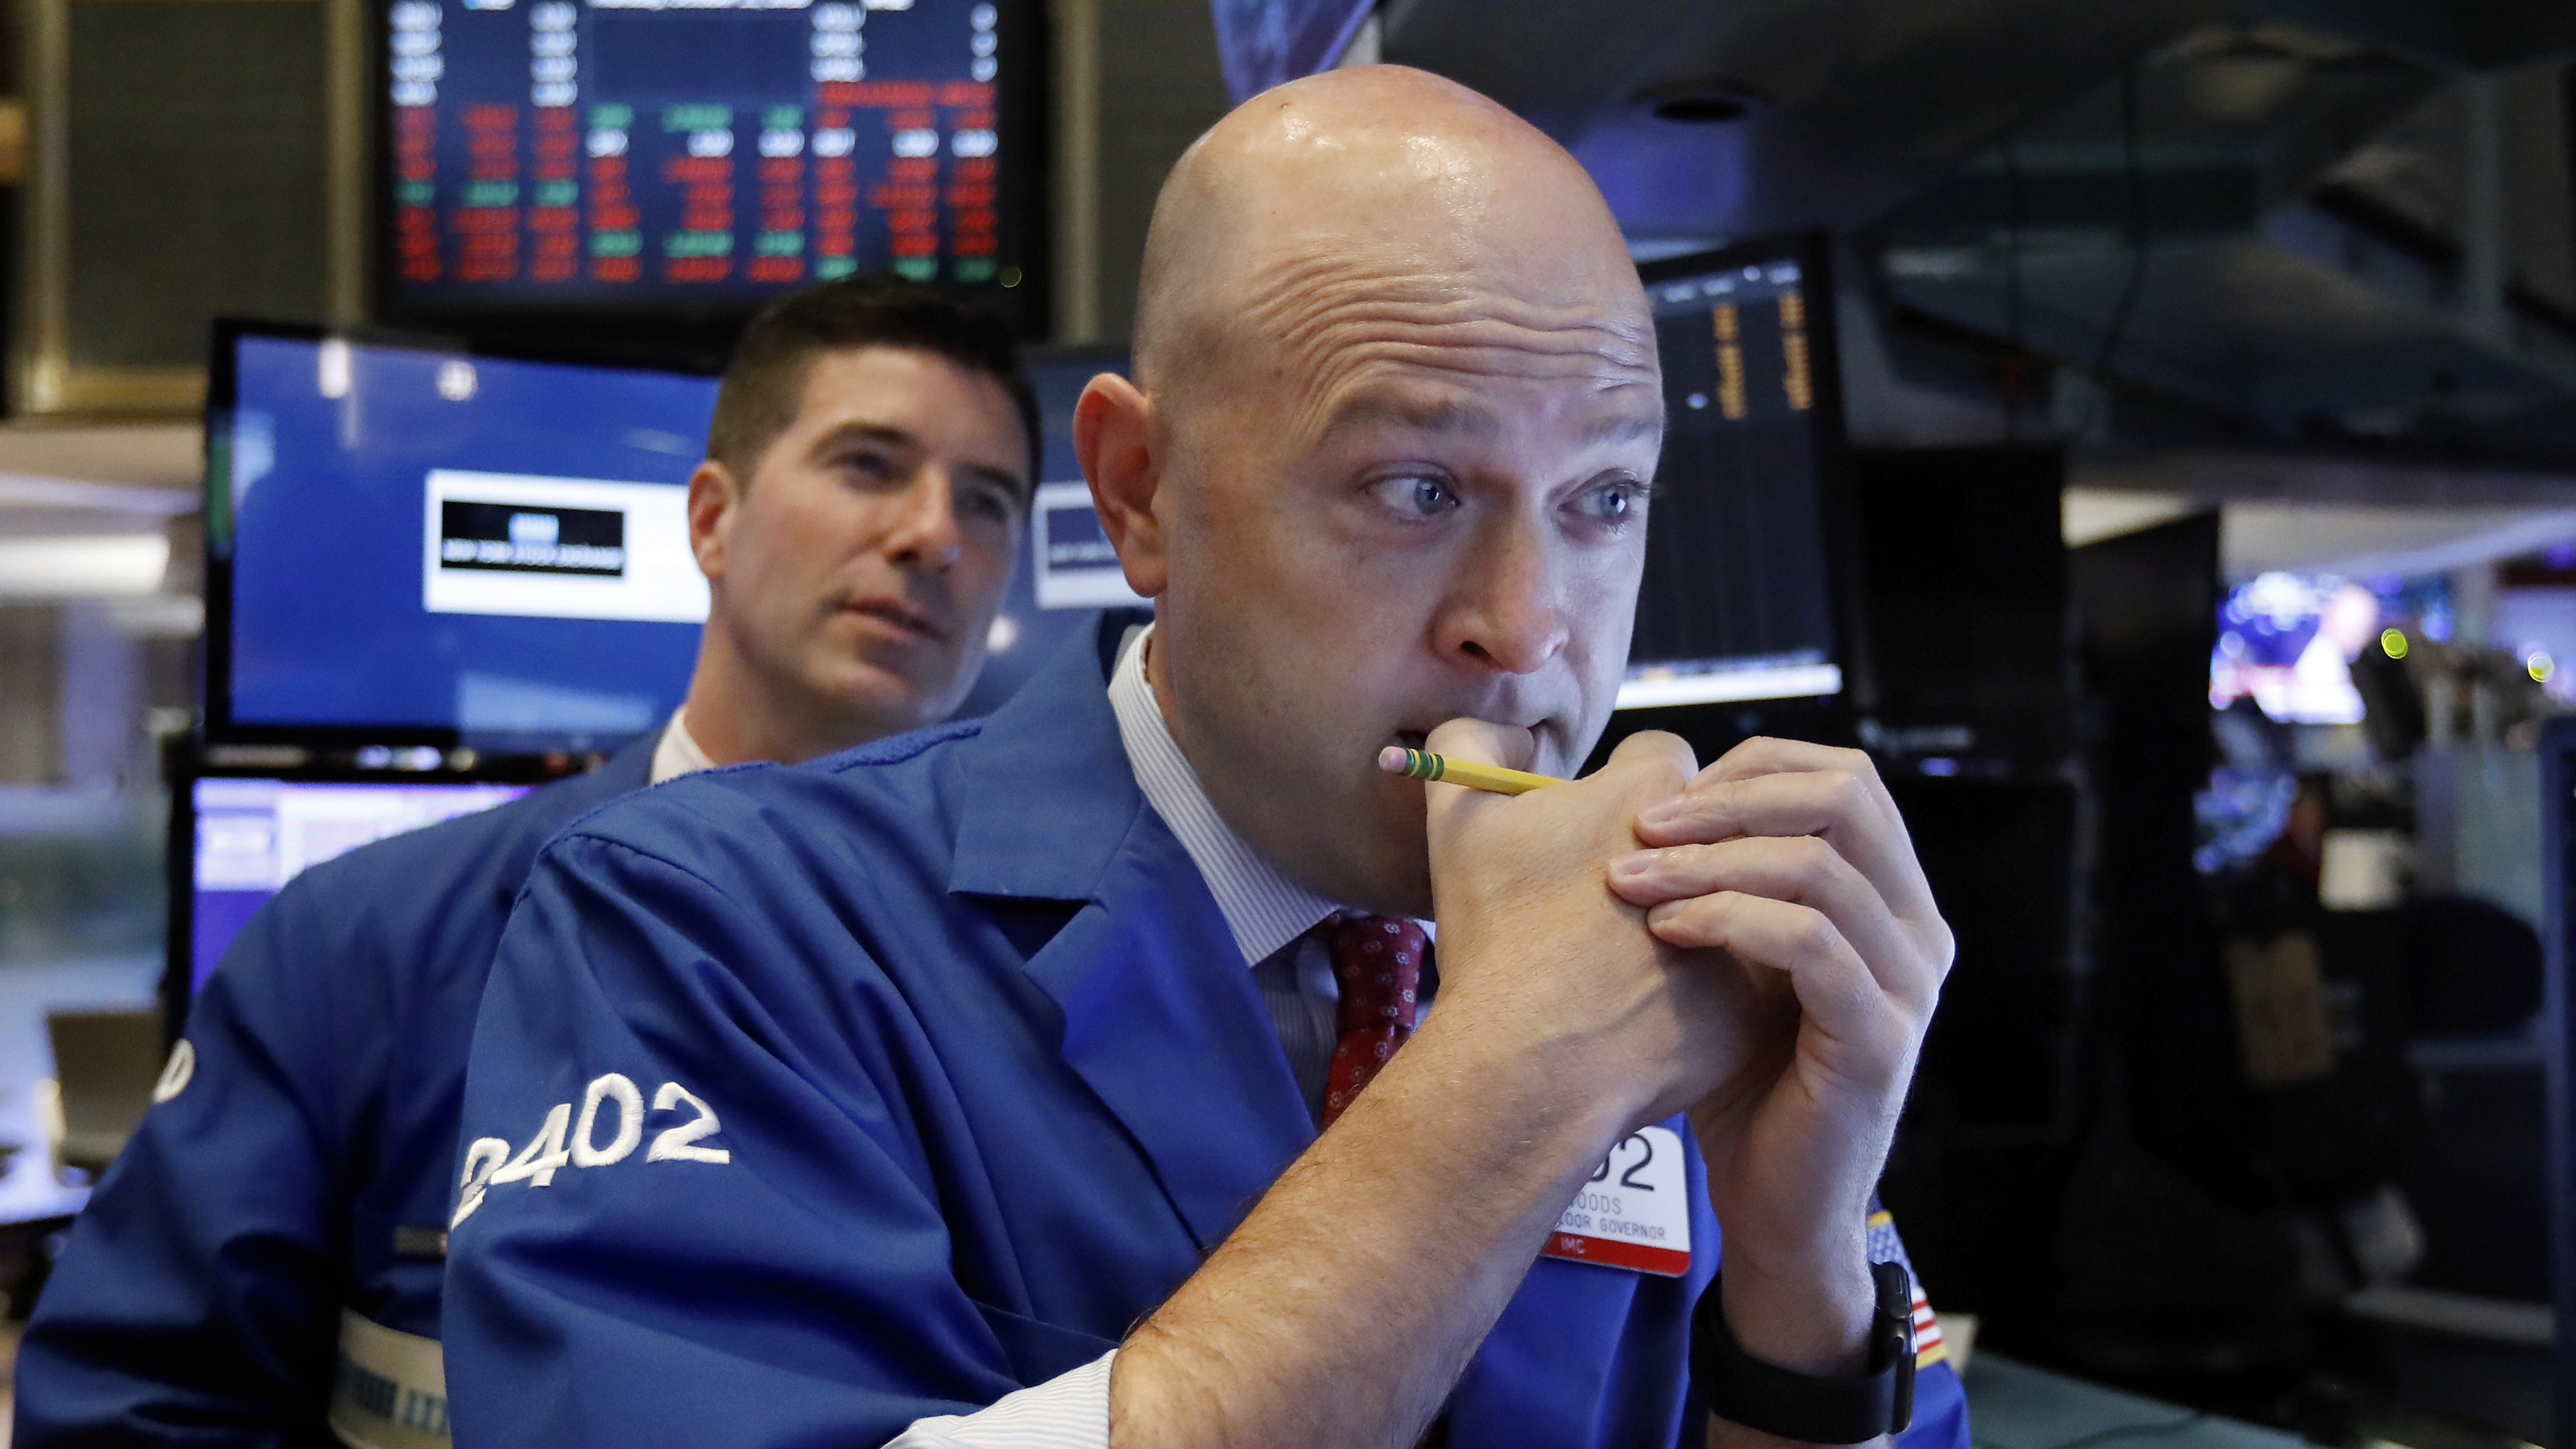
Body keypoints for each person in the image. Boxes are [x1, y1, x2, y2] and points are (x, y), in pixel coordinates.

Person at [445, 66, 1966, 1449]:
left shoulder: (1669, 950)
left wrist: (1799, 1280)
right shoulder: (703, 925)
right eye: (1418, 486)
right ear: (1140, 492)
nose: (1528, 630)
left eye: (1606, 499)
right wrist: (1517, 1078)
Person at [15, 274, 1039, 1449]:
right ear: (711, 519)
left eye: (991, 500)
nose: (934, 534)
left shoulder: (1067, 972)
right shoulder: (364, 943)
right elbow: (134, 1412)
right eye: (868, 464)